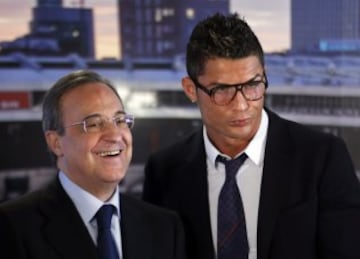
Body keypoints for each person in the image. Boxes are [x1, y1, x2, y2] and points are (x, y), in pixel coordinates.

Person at [142, 13, 360, 259]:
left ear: (264, 75)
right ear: (191, 89)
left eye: (252, 85)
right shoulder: (163, 171)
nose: (242, 105)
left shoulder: (323, 158)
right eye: (222, 90)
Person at [0, 70, 187, 259]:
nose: (114, 135)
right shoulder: (11, 227)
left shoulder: (165, 228)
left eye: (120, 120)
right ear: (56, 142)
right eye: (93, 124)